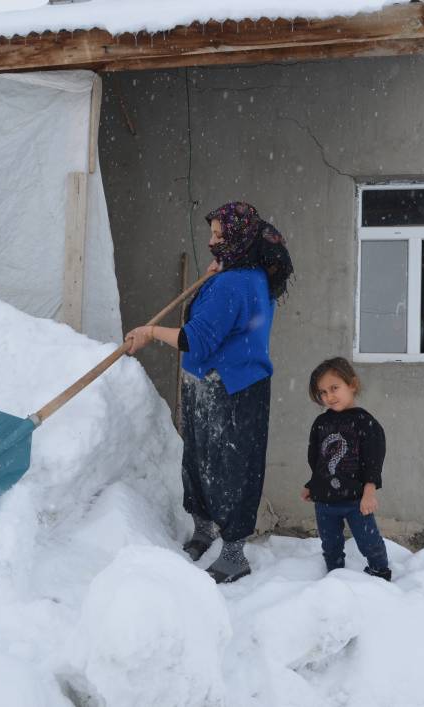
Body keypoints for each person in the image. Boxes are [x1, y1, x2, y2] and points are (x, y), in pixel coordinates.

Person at [125, 201, 293, 584]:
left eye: (219, 235)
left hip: (232, 389)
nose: (212, 241)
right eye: (212, 233)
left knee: (233, 469)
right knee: (199, 459)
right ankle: (204, 530)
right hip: (211, 385)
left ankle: (234, 555)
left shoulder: (234, 285)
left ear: (239, 239)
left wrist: (149, 333)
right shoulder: (244, 273)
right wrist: (213, 275)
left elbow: (193, 340)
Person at [300, 357, 391, 581]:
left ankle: (380, 572)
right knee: (330, 543)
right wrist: (312, 484)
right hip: (325, 501)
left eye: (334, 388)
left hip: (355, 500)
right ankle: (335, 576)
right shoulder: (321, 423)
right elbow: (318, 459)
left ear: (352, 384)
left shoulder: (364, 422)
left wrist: (369, 491)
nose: (329, 396)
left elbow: (373, 459)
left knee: (368, 542)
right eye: (323, 392)